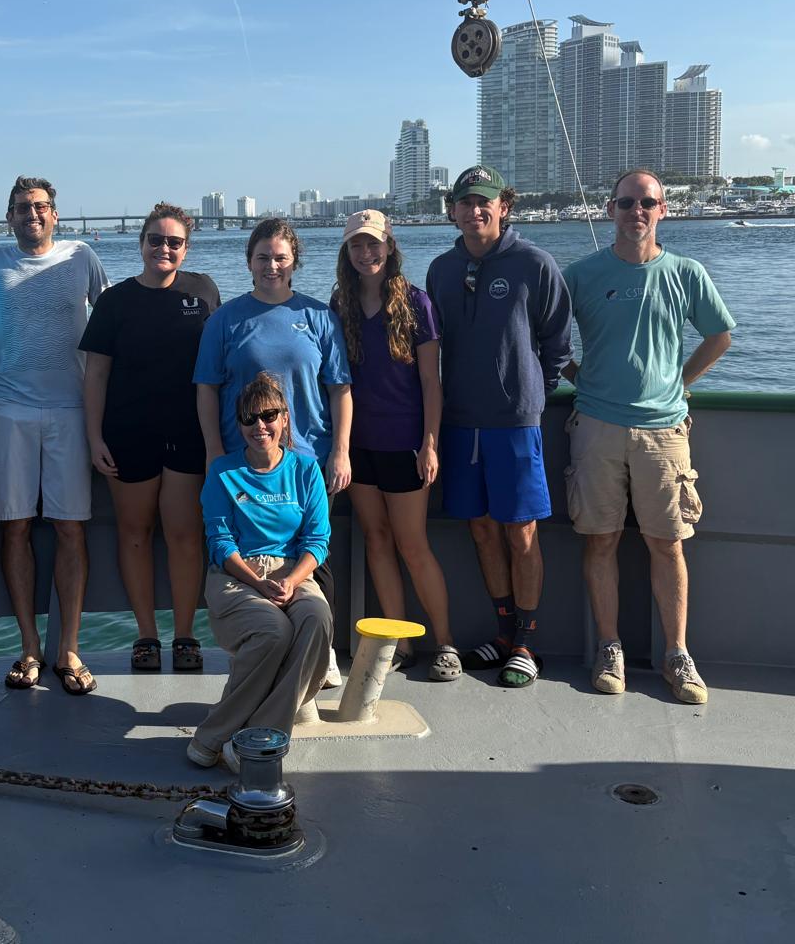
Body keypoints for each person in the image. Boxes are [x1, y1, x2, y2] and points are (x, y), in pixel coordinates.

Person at [562, 168, 734, 705]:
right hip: (596, 425)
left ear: (663, 210)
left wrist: (679, 384)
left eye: (647, 203)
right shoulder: (582, 275)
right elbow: (544, 334)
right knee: (601, 540)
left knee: (668, 543)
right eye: (626, 203)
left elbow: (718, 335)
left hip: (664, 431)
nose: (636, 212)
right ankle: (609, 647)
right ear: (610, 210)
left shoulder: (687, 272)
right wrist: (577, 376)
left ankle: (677, 654)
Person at [425, 166, 571, 690]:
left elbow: (556, 342)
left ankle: (527, 642)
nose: (474, 211)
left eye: (483, 201)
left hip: (514, 424)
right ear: (453, 210)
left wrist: (530, 394)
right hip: (460, 422)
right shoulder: (441, 270)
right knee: (481, 529)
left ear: (503, 206)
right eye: (464, 202)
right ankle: (504, 633)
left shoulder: (535, 263)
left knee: (521, 531)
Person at [194, 216, 351, 687]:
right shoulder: (225, 320)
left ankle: (319, 654)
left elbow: (339, 388)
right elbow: (206, 389)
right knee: (250, 552)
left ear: (294, 262)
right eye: (262, 257)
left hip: (307, 459)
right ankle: (263, 644)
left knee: (311, 556)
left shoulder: (319, 317)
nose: (272, 265)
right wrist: (213, 452)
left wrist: (340, 451)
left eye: (280, 256)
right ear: (249, 262)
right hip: (247, 464)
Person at [0, 176, 108, 696]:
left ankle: (68, 649)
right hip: (7, 406)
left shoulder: (82, 257)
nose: (33, 214)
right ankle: (29, 648)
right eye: (22, 207)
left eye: (41, 207)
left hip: (72, 409)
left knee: (71, 528)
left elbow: (113, 318)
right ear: (9, 217)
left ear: (56, 215)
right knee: (15, 527)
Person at [81, 203, 220, 673]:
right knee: (135, 535)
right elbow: (96, 373)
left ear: (186, 247)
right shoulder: (115, 301)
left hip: (188, 433)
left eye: (174, 242)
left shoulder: (203, 292)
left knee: (184, 536)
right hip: (128, 433)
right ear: (141, 244)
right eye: (156, 240)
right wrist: (94, 435)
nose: (164, 248)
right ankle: (146, 636)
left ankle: (184, 636)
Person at [330, 210, 459, 682]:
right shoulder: (338, 304)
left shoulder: (416, 303)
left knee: (412, 544)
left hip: (404, 444)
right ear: (347, 253)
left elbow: (431, 382)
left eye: (374, 244)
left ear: (390, 246)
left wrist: (430, 445)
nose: (367, 254)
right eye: (357, 246)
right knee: (377, 541)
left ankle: (444, 642)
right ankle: (402, 642)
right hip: (358, 447)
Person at [187, 372, 333, 770]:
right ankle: (214, 736)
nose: (260, 426)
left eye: (268, 415)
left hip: (293, 573)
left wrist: (290, 580)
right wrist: (258, 582)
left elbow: (317, 541)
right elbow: (220, 543)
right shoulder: (223, 472)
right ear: (239, 425)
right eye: (249, 419)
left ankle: (257, 734)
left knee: (316, 618)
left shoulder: (306, 470)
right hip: (237, 576)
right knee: (273, 631)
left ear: (285, 418)